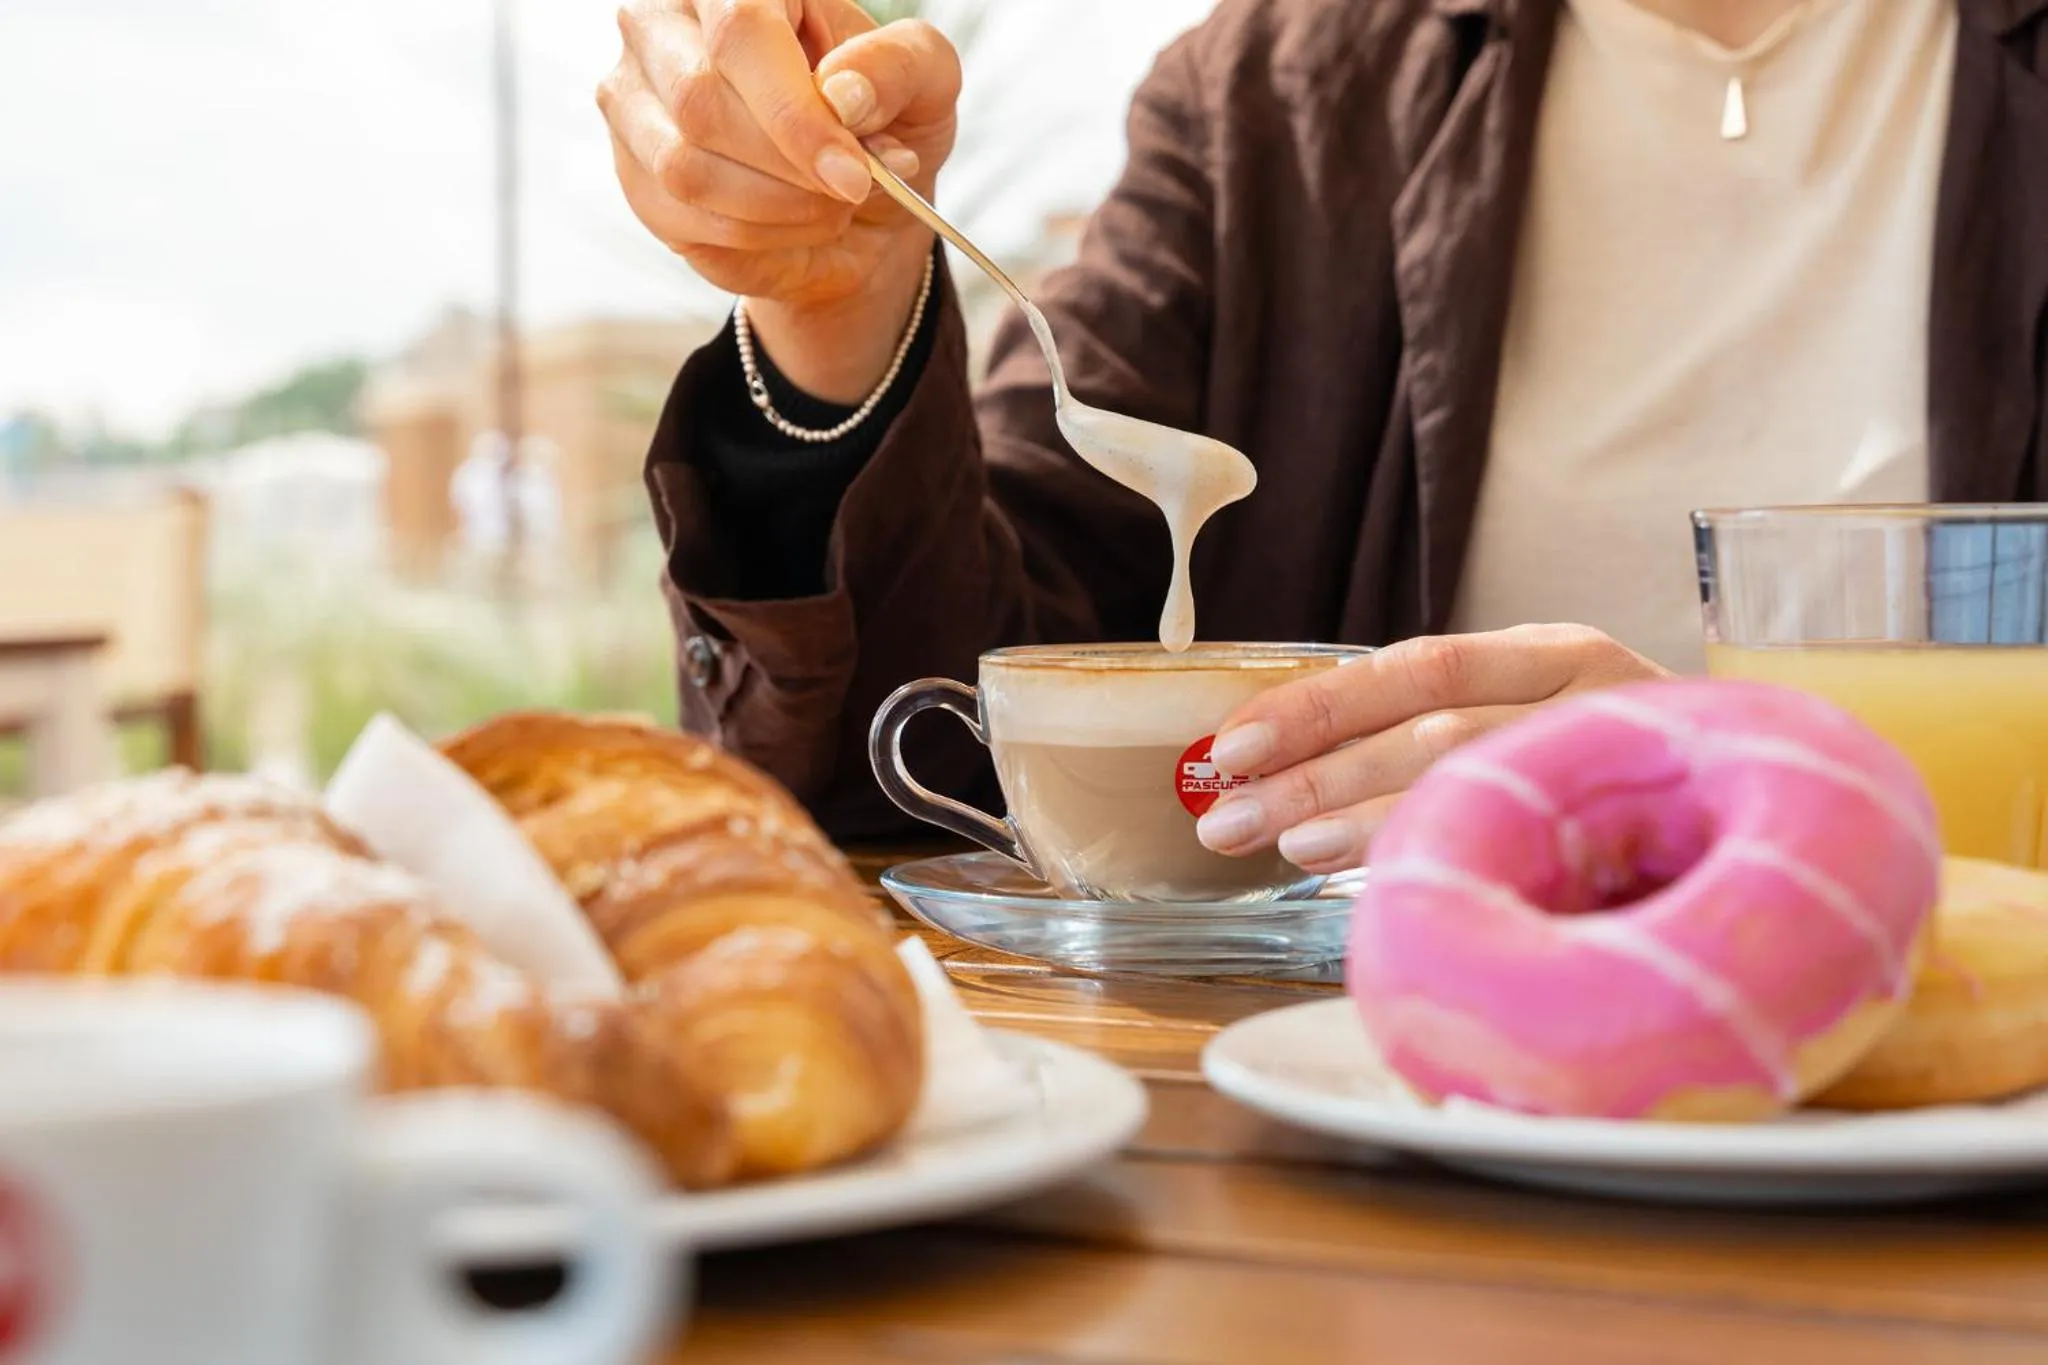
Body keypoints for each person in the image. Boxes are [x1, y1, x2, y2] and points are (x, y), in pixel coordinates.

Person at [600, 0, 2048, 873]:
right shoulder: (1280, 97)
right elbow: (918, 752)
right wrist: (841, 324)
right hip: (1384, 1149)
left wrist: (1746, 797)